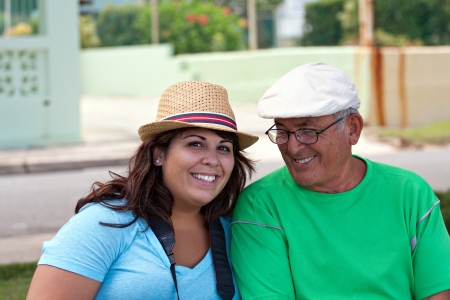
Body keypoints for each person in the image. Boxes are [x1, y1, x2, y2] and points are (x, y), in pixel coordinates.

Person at [230, 63, 450, 299]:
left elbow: (437, 294)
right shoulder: (260, 206)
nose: (292, 147)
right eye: (282, 131)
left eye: (307, 130)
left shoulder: (410, 193)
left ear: (352, 129)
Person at [27, 81, 258, 300]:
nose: (212, 159)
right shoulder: (103, 224)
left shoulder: (237, 229)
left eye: (224, 148)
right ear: (159, 154)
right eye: (195, 144)